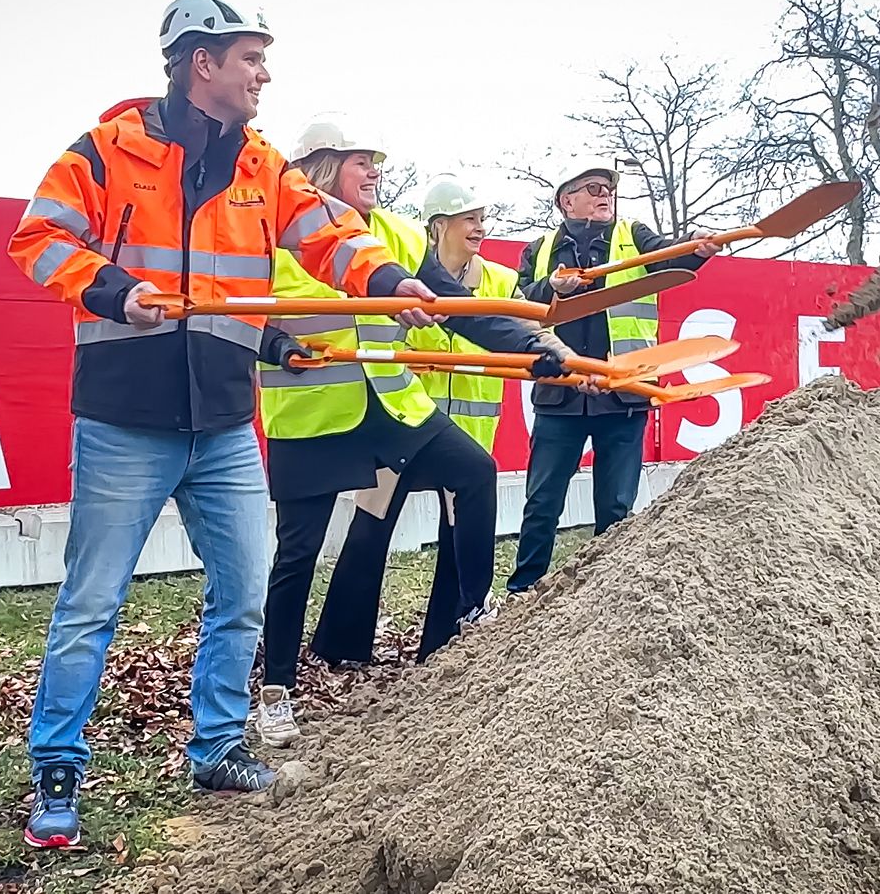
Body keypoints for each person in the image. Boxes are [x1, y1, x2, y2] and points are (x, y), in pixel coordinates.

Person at [6, 0, 443, 848]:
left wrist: (389, 284)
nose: (264, 73)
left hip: (224, 422)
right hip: (123, 418)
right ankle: (57, 770)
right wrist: (110, 287)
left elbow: (329, 233)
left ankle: (215, 746)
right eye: (251, 57)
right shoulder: (104, 152)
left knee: (242, 588)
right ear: (199, 61)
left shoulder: (263, 167)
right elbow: (39, 238)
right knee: (92, 603)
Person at [253, 128, 570, 747]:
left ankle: (470, 617)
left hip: (394, 408)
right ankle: (276, 689)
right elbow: (247, 312)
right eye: (359, 164)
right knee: (297, 556)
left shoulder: (394, 235)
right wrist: (278, 345)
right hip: (313, 418)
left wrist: (534, 348)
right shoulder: (275, 240)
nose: (373, 173)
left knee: (475, 473)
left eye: (374, 165)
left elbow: (456, 304)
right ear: (320, 170)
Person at [299, 174, 521, 681]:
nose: (479, 229)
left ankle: (443, 643)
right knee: (370, 526)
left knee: (455, 534)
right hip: (404, 421)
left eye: (482, 220)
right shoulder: (400, 269)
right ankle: (340, 643)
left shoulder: (500, 282)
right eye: (470, 219)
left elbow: (511, 323)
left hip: (459, 432)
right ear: (439, 225)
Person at [506, 159, 722, 594]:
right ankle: (524, 591)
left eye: (608, 188)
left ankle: (605, 597)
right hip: (561, 396)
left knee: (616, 506)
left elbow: (670, 257)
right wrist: (552, 287)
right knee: (542, 502)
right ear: (566, 200)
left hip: (624, 395)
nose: (605, 194)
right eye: (592, 187)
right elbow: (518, 304)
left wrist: (696, 246)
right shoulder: (540, 249)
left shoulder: (633, 236)